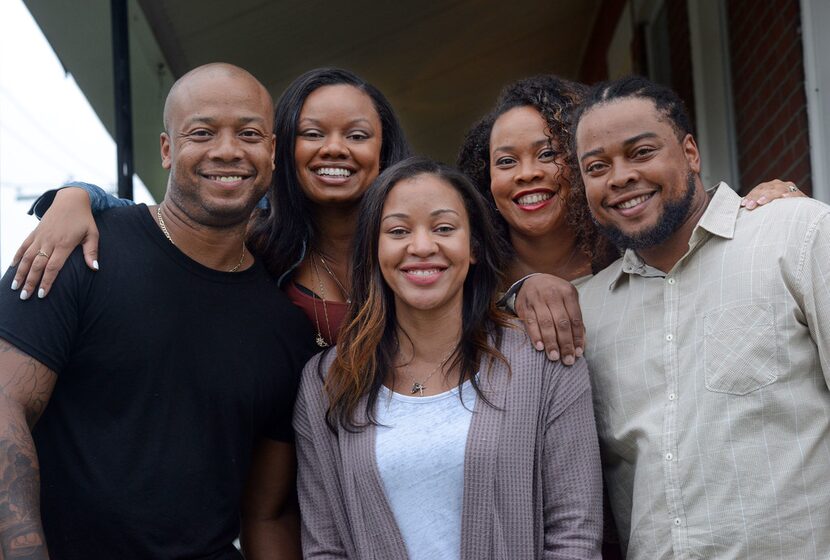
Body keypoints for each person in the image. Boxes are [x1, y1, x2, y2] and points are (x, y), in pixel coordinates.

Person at [0, 63, 316, 559]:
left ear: (272, 153)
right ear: (168, 150)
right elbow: (4, 405)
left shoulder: (285, 329)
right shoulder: (77, 254)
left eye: (249, 134)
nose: (228, 150)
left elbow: (266, 512)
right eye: (203, 132)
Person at [294, 157, 603, 559]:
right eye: (399, 231)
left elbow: (574, 534)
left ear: (473, 246)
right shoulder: (326, 382)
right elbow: (324, 547)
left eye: (443, 228)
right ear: (374, 249)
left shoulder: (544, 360)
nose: (422, 247)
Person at [573, 75, 830, 558]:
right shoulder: (585, 314)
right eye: (597, 166)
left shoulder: (796, 235)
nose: (620, 176)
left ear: (690, 152)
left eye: (641, 152)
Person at [10, 67, 411, 348]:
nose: (335, 148)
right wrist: (77, 195)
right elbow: (170, 226)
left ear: (383, 148)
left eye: (357, 135)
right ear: (280, 149)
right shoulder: (257, 243)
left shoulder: (418, 241)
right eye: (312, 133)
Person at [458, 75, 804, 363]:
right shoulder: (471, 278)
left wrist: (770, 205)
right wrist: (518, 294)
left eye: (548, 153)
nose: (527, 173)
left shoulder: (636, 252)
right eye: (506, 162)